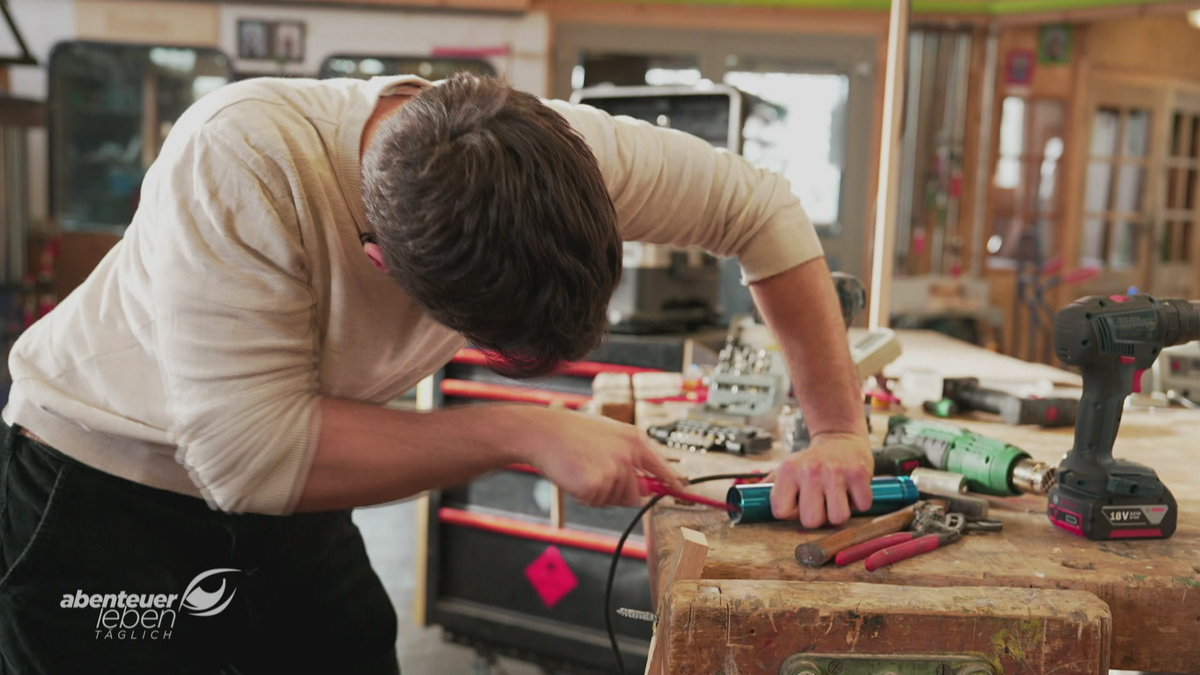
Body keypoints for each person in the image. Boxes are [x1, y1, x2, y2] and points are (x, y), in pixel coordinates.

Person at [0, 73, 872, 674]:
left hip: (288, 478)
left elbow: (763, 209)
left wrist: (838, 430)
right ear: (378, 261)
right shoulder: (242, 160)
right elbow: (247, 458)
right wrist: (523, 428)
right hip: (101, 489)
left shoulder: (549, 149)